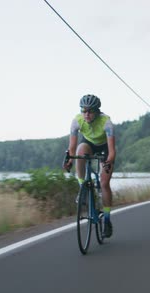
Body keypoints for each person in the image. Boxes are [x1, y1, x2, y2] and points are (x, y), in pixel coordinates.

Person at [64, 94, 116, 237]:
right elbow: (72, 148)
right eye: (83, 110)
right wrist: (69, 159)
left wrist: (107, 164)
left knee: (104, 183)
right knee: (80, 152)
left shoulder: (106, 123)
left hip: (104, 147)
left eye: (90, 111)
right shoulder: (77, 121)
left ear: (97, 111)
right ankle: (83, 188)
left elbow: (112, 152)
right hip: (89, 144)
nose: (86, 114)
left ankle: (106, 220)